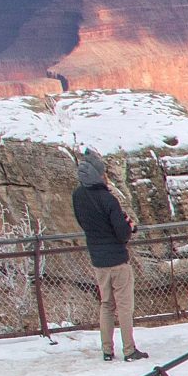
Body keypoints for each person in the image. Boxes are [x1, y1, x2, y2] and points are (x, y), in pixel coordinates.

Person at [70, 152, 145, 362]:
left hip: (98, 260)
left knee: (106, 304)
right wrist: (129, 225)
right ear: (99, 175)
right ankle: (129, 350)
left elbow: (84, 223)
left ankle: (107, 350)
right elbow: (122, 233)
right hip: (117, 260)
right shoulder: (108, 199)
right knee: (124, 306)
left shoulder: (78, 196)